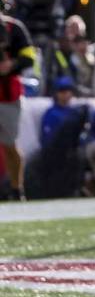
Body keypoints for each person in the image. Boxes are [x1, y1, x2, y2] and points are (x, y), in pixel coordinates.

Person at [0, 12, 35, 200]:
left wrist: (11, 64)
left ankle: (17, 188)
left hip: (7, 95)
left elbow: (29, 57)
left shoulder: (14, 27)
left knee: (9, 144)